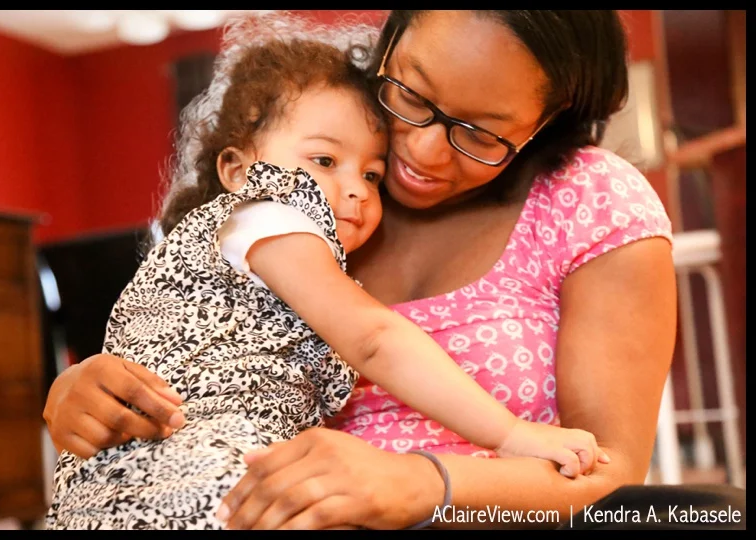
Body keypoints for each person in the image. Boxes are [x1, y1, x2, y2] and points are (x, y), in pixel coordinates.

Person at [43, 10, 679, 530]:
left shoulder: (588, 200)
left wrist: (427, 484)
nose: (423, 152)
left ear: (548, 120)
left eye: (481, 133)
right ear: (389, 42)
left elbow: (612, 475)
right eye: (412, 95)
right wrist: (90, 394)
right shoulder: (309, 166)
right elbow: (199, 343)